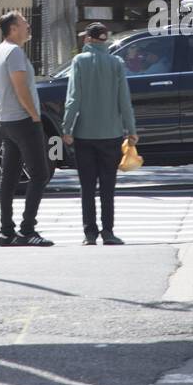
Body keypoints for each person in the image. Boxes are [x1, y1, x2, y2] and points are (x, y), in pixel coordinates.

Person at [62, 22, 137, 246]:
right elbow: (124, 100)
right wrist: (131, 130)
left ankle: (89, 233)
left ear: (89, 39)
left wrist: (66, 128)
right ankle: (108, 231)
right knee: (107, 186)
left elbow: (73, 97)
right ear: (104, 40)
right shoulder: (116, 63)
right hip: (112, 134)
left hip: (85, 134)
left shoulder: (79, 62)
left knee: (87, 187)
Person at [0, 10, 53, 247]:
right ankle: (27, 230)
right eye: (24, 23)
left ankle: (6, 232)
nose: (28, 26)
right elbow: (20, 87)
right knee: (39, 174)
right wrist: (35, 116)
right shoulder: (14, 52)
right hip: (23, 121)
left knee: (9, 177)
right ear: (13, 29)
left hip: (6, 121)